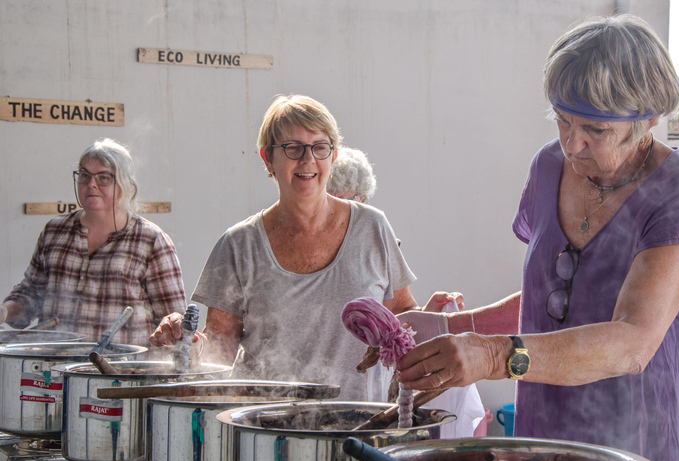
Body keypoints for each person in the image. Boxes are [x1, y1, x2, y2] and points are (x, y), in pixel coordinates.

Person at [396, 14, 679, 461]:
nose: (571, 143)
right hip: (557, 426)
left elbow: (632, 341)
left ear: (646, 121)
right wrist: (449, 327)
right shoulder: (548, 167)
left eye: (595, 129)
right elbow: (555, 299)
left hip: (659, 435)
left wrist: (492, 355)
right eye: (562, 120)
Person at [149, 94, 456, 401]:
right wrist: (188, 345)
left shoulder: (372, 227)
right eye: (292, 148)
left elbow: (400, 314)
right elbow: (220, 350)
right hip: (266, 427)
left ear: (332, 157)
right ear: (268, 158)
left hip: (362, 425)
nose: (308, 159)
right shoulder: (239, 245)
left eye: (320, 147)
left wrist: (436, 323)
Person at [0, 138, 186, 347]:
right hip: (54, 370)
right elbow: (30, 295)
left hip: (122, 372)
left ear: (124, 185)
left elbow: (175, 320)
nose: (91, 184)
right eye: (85, 175)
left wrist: (173, 325)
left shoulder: (150, 240)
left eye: (103, 177)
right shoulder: (55, 231)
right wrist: (5, 311)